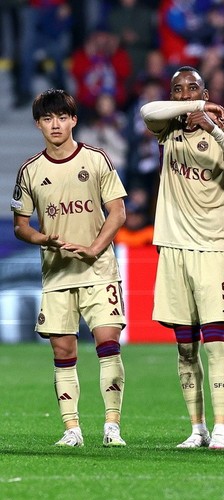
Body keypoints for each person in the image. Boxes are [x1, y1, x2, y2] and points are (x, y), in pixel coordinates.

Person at [140, 66, 224, 450]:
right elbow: (146, 112)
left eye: (193, 87)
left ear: (205, 90)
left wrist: (212, 125)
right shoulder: (168, 127)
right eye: (178, 89)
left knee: (215, 341)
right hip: (172, 246)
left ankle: (221, 427)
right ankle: (198, 428)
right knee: (185, 345)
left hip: (212, 247)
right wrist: (198, 105)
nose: (185, 93)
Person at [11, 89, 128, 447]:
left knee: (107, 341)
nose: (56, 124)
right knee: (63, 352)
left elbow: (118, 212)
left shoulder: (95, 160)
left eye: (62, 117)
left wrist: (94, 248)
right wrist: (42, 239)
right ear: (38, 125)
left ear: (74, 120)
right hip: (57, 273)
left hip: (99, 269)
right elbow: (21, 225)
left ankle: (112, 426)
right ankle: (72, 429)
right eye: (48, 119)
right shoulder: (30, 170)